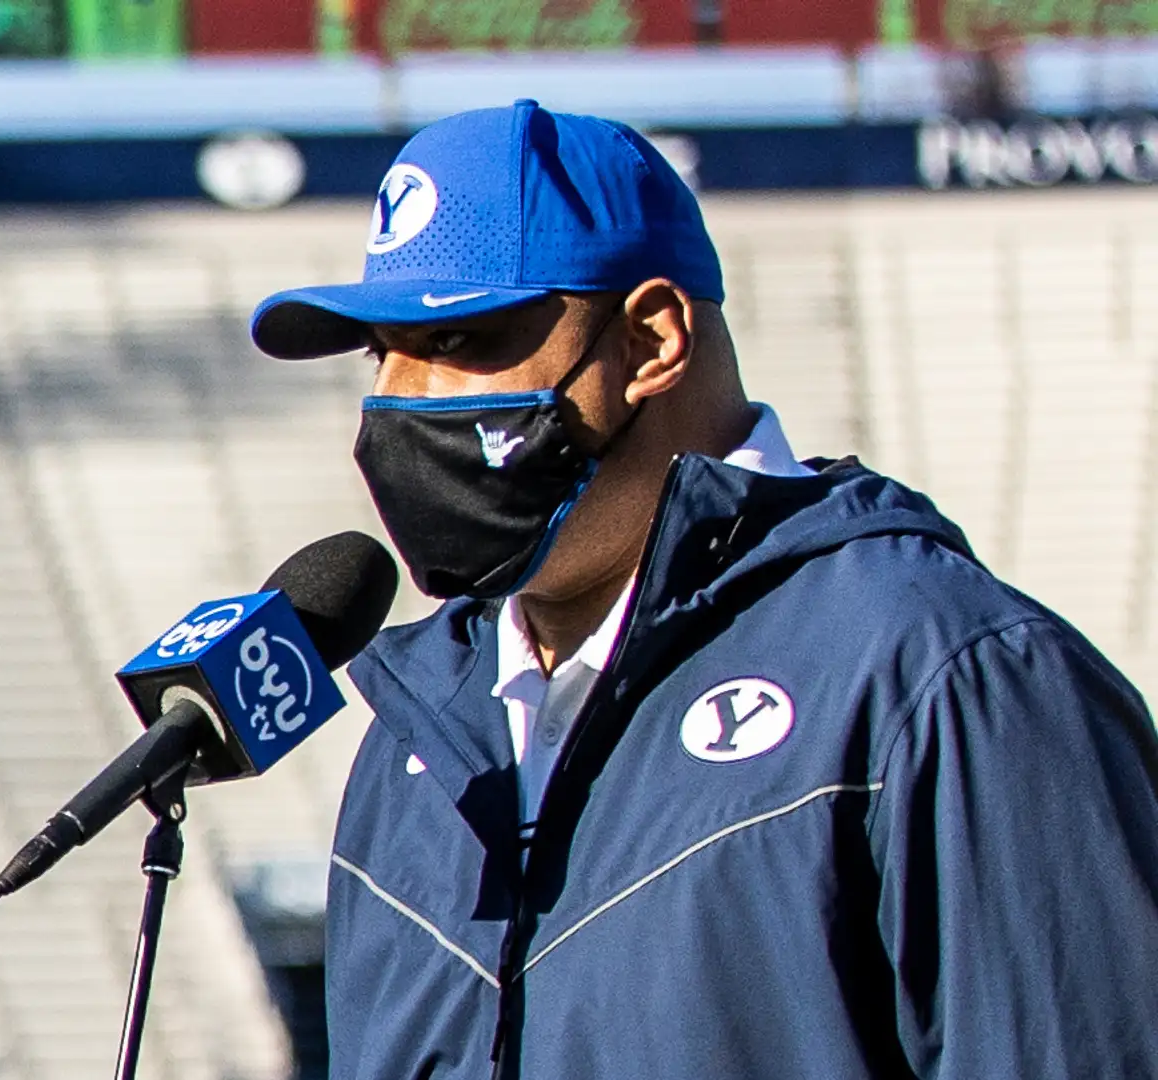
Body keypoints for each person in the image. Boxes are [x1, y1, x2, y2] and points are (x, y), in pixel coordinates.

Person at [248, 99, 1158, 1079]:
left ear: (650, 341)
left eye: (464, 342)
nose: (401, 401)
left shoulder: (943, 672)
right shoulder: (414, 737)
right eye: (383, 354)